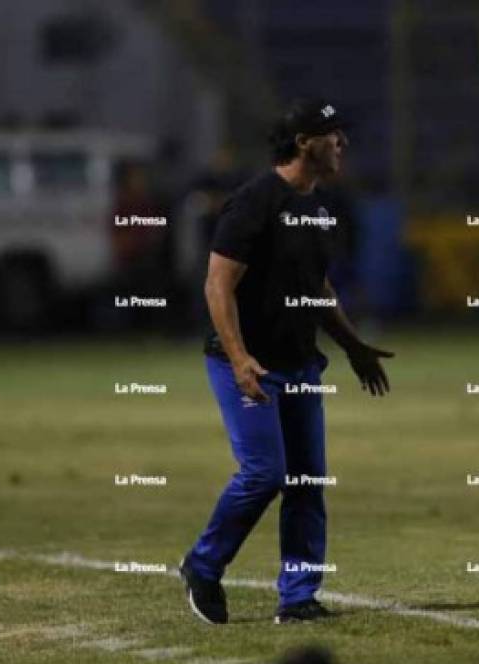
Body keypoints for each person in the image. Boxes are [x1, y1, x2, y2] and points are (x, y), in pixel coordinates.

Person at [179, 98, 394, 625]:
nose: (342, 142)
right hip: (248, 363)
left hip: (300, 365)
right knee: (264, 473)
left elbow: (315, 288)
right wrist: (239, 358)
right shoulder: (254, 202)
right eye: (332, 133)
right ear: (303, 142)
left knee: (306, 483)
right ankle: (202, 565)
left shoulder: (322, 209)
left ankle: (298, 598)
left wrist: (351, 344)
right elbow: (217, 285)